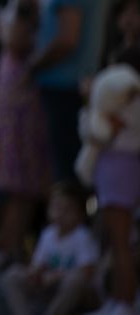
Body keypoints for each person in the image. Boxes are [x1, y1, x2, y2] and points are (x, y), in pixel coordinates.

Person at [0, 0, 58, 267]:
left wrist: (1, 28)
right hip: (23, 84)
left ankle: (10, 247)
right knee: (22, 171)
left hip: (20, 86)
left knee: (19, 173)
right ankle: (13, 247)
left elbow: (16, 38)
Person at [27, 0, 105, 183]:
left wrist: (34, 64)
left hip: (65, 88)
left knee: (66, 170)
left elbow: (67, 38)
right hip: (71, 85)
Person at [86, 31, 140, 315]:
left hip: (118, 172)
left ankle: (123, 303)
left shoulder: (121, 104)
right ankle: (118, 299)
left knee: (121, 244)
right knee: (123, 242)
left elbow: (99, 133)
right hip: (124, 171)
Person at [2, 181, 101, 315]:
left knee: (75, 280)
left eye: (67, 210)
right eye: (56, 207)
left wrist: (56, 276)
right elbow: (39, 263)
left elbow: (87, 272)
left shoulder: (82, 236)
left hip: (78, 291)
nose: (59, 214)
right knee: (13, 275)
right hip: (51, 286)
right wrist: (35, 273)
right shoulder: (48, 234)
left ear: (80, 214)